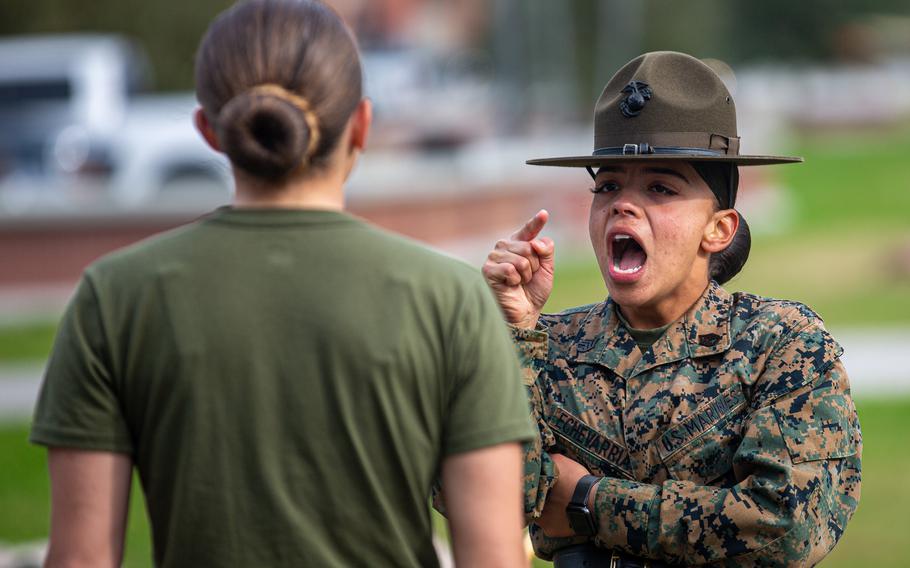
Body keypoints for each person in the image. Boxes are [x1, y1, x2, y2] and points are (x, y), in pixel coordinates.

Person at [30, 1, 535, 567]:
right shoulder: (452, 300)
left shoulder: (113, 297)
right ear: (362, 125)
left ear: (208, 131)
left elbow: (80, 560)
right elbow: (492, 557)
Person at [482, 51, 862, 567]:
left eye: (660, 188)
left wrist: (587, 501)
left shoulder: (781, 343)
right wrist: (514, 335)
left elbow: (785, 529)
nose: (623, 204)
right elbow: (485, 504)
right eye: (607, 186)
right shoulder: (547, 346)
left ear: (719, 228)